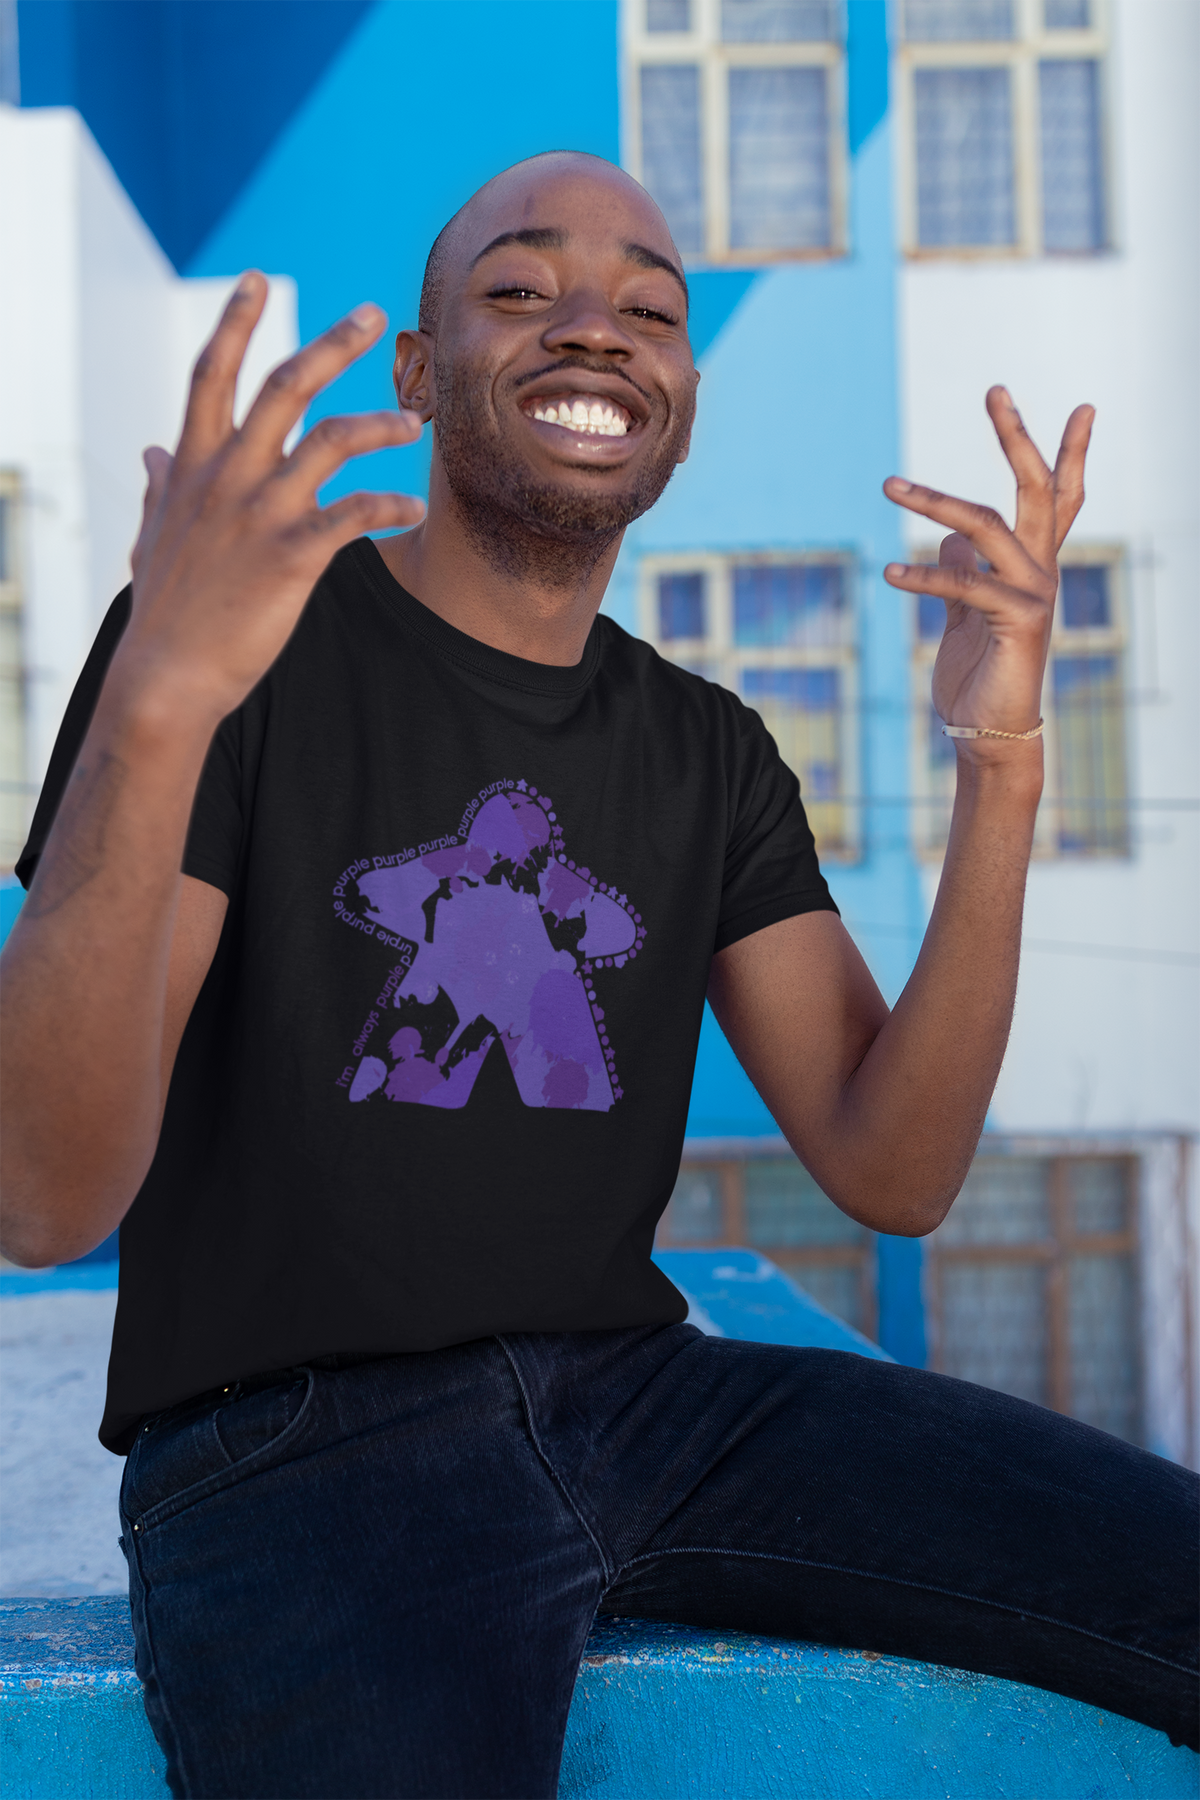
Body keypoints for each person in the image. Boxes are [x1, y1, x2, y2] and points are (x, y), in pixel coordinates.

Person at [0, 151, 1195, 1796]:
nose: (593, 330)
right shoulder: (228, 644)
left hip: (647, 1403)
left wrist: (1003, 760)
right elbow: (43, 1201)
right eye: (518, 289)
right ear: (421, 371)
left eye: (649, 308)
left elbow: (894, 1164)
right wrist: (155, 702)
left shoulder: (705, 748)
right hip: (296, 1450)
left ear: (684, 403)